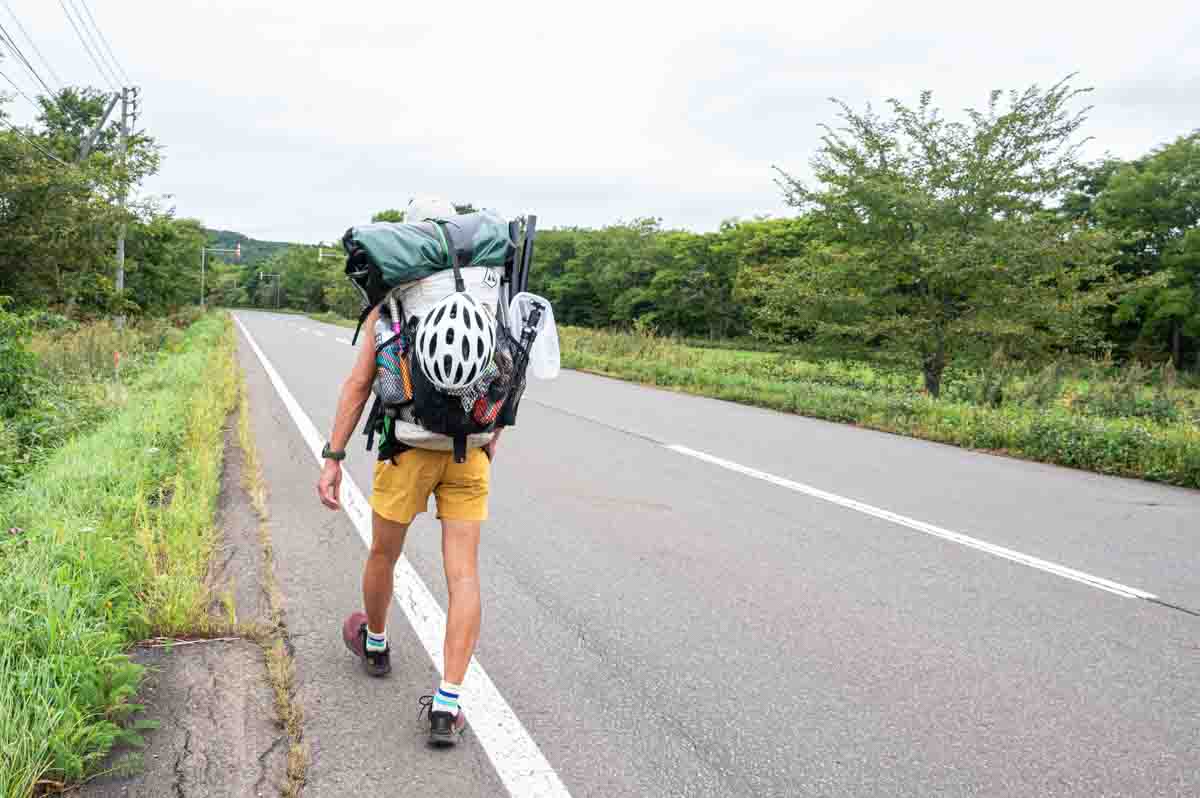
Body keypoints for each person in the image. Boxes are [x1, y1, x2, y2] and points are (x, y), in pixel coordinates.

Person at [316, 196, 500, 746]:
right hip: (470, 450)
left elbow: (357, 387)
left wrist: (334, 456)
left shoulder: (393, 301)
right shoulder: (492, 297)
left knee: (383, 553)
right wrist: (490, 445)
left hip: (407, 449)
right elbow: (506, 384)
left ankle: (375, 644)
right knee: (463, 574)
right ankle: (446, 704)